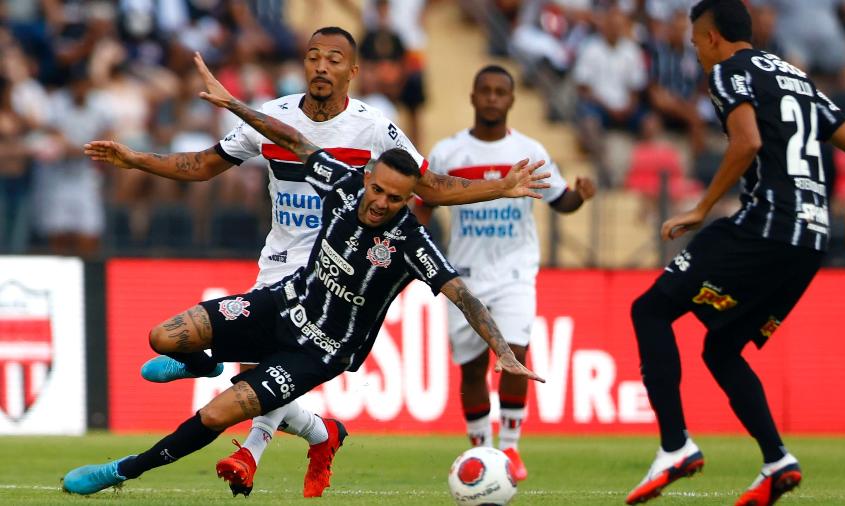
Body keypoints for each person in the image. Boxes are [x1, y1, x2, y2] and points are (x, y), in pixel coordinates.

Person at [83, 27, 550, 497]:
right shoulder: (303, 142)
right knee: (179, 344)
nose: (322, 66)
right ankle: (277, 410)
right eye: (313, 57)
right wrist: (144, 157)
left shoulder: (376, 135)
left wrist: (499, 187)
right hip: (284, 269)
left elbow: (431, 193)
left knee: (246, 388)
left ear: (352, 71)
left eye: (333, 59)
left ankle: (243, 453)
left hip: (332, 304)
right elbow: (219, 161)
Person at [624, 1, 845, 505]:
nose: (694, 52)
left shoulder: (728, 73)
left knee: (649, 310)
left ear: (714, 37)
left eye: (695, 42)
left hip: (764, 226)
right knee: (720, 349)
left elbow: (746, 143)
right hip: (810, 241)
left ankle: (675, 446)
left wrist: (701, 208)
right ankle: (777, 460)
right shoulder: (793, 75)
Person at [413, 64, 594, 482]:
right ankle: (481, 449)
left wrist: (580, 198)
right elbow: (424, 206)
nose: (493, 97)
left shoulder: (529, 151)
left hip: (515, 272)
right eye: (486, 91)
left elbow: (560, 200)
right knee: (473, 368)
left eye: (501, 92)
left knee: (517, 354)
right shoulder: (447, 153)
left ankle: (510, 450)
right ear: (473, 97)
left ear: (511, 100)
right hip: (465, 275)